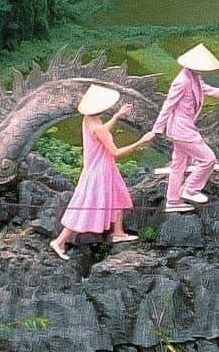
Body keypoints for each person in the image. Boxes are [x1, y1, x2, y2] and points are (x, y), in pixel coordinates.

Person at [49, 85, 149, 260]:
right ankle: (60, 241)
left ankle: (118, 232)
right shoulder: (97, 126)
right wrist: (140, 142)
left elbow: (101, 134)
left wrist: (117, 116)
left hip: (102, 167)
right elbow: (116, 152)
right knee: (85, 206)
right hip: (100, 171)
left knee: (118, 195)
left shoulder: (89, 119)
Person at [151, 44, 219, 213]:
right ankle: (190, 189)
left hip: (184, 127)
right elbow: (168, 105)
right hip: (181, 129)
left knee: (179, 164)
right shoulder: (181, 81)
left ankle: (173, 200)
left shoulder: (194, 77)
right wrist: (157, 129)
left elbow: (205, 89)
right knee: (208, 159)